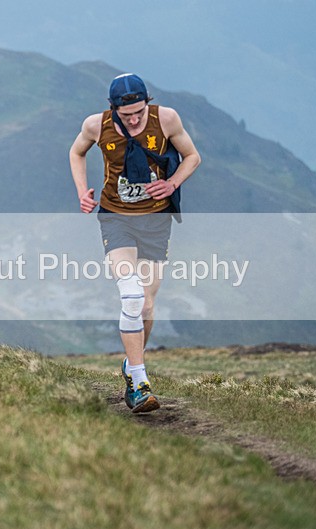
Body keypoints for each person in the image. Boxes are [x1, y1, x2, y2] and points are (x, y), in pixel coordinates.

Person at [69, 73, 201, 413]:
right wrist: (82, 191)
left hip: (156, 220)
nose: (133, 120)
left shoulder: (166, 119)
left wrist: (171, 184)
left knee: (146, 306)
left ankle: (131, 364)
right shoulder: (96, 125)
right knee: (131, 294)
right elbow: (76, 152)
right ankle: (140, 384)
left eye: (139, 112)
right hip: (116, 218)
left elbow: (192, 156)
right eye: (126, 115)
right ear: (113, 108)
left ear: (148, 103)